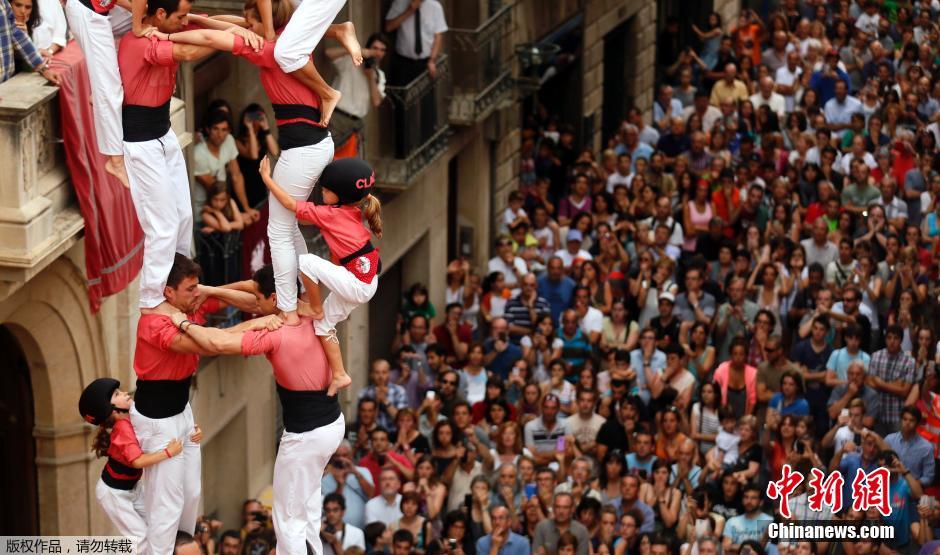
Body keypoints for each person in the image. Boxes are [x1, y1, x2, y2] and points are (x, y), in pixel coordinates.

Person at [169, 264, 345, 555]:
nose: (254, 307)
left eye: (260, 300)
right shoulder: (310, 311)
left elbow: (218, 343)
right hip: (332, 425)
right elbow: (255, 296)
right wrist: (212, 291)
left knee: (286, 515)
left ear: (274, 299)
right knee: (307, 502)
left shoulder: (274, 333)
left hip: (306, 435)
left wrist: (183, 322)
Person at [118, 4, 255, 313]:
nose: (185, 20)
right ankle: (152, 299)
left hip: (163, 134)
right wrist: (239, 39)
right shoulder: (139, 42)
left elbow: (215, 23)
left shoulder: (169, 28)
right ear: (160, 13)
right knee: (163, 226)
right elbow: (192, 53)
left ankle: (176, 281)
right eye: (180, 15)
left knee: (182, 217)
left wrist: (249, 28)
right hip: (140, 143)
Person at [261, 156, 382, 395]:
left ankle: (315, 308)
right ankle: (340, 375)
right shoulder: (351, 211)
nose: (322, 194)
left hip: (357, 283)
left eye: (325, 190)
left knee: (306, 262)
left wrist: (266, 178)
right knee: (324, 326)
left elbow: (290, 205)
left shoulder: (331, 214)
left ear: (339, 196)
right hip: (365, 281)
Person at [79, 378, 202, 554]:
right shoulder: (121, 429)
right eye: (117, 394)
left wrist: (191, 431)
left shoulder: (134, 417)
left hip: (132, 488)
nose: (125, 393)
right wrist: (167, 453)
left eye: (120, 391)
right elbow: (137, 461)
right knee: (142, 540)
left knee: (158, 526)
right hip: (115, 495)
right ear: (111, 410)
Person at [328, 32, 388, 158]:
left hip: (355, 124)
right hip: (337, 118)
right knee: (328, 159)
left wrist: (370, 76)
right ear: (368, 48)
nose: (378, 53)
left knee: (349, 166)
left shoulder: (379, 75)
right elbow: (329, 53)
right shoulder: (352, 61)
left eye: (382, 50)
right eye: (375, 49)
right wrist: (356, 51)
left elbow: (376, 101)